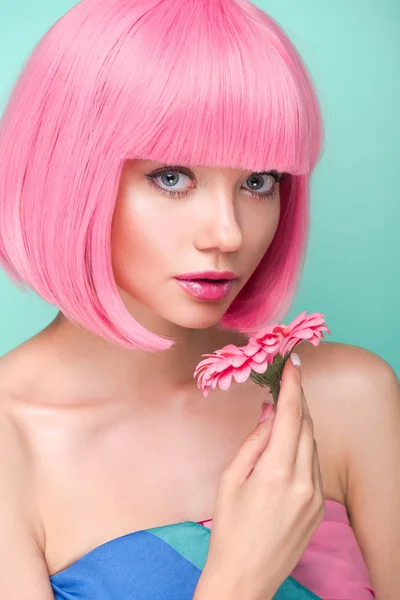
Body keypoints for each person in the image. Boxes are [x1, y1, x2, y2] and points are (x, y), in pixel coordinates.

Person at [0, 0, 398, 598]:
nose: (228, 234)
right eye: (171, 177)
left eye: (258, 182)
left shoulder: (347, 399)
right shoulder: (13, 444)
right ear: (70, 175)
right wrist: (239, 582)